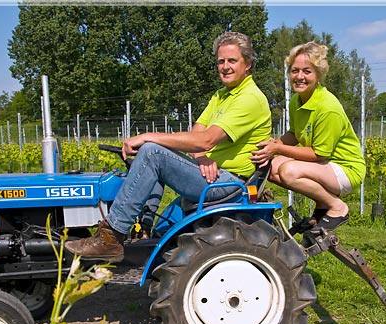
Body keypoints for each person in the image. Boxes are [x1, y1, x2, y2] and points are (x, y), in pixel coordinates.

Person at [65, 31, 272, 262]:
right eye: (221, 61)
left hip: (231, 183)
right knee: (152, 157)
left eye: (232, 61)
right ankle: (143, 227)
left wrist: (148, 136)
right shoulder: (223, 95)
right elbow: (198, 131)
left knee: (152, 152)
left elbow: (206, 139)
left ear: (248, 64)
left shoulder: (249, 98)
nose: (225, 67)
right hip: (213, 173)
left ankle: (111, 235)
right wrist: (202, 157)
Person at [250, 41, 365, 233]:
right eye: (295, 71)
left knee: (288, 171)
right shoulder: (297, 100)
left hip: (346, 169)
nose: (299, 77)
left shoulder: (328, 108)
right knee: (270, 166)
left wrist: (278, 149)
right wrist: (273, 145)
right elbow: (295, 134)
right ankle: (322, 205)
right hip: (325, 167)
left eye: (307, 71)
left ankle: (337, 207)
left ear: (318, 74)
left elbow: (318, 154)